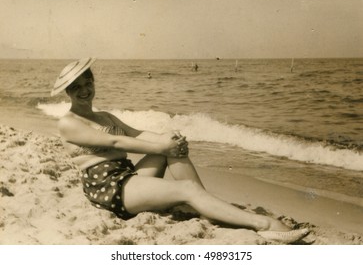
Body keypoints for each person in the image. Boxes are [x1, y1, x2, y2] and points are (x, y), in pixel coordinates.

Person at [50, 58, 309, 243]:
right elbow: (118, 143)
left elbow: (136, 134)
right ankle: (265, 225)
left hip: (127, 176)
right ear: (68, 93)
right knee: (186, 188)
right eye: (76, 87)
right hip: (109, 189)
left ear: (94, 82)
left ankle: (206, 204)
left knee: (173, 150)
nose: (85, 91)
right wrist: (160, 145)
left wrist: (168, 138)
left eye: (88, 83)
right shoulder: (68, 123)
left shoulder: (105, 116)